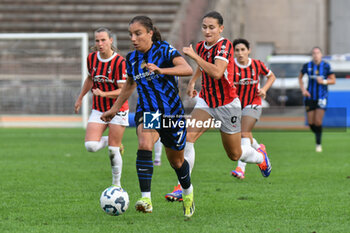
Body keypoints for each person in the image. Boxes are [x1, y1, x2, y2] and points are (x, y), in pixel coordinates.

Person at [165, 11, 272, 202]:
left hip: (227, 105)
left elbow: (216, 71)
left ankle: (260, 157)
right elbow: (202, 67)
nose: (207, 31)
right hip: (206, 101)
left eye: (211, 27)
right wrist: (192, 82)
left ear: (220, 28)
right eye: (204, 27)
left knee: (234, 154)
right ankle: (183, 187)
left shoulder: (225, 46)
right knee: (187, 137)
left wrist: (193, 56)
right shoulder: (201, 46)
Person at [100, 16, 195, 219]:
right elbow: (129, 85)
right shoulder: (132, 58)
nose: (133, 38)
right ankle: (146, 199)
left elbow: (187, 69)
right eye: (130, 35)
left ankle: (188, 193)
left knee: (177, 162)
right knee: (144, 143)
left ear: (150, 33)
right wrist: (115, 109)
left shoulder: (164, 50)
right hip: (148, 111)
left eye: (138, 33)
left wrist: (162, 69)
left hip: (171, 113)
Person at [74, 27, 129, 188]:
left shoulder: (119, 62)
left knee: (113, 151)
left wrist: (104, 94)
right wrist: (80, 98)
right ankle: (113, 141)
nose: (100, 43)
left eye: (103, 40)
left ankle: (116, 185)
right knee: (90, 146)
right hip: (99, 109)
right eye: (97, 40)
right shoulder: (91, 58)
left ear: (111, 41)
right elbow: (90, 79)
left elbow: (123, 90)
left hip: (118, 110)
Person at [231, 38, 276, 179]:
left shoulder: (256, 64)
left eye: (243, 50)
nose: (240, 53)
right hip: (236, 106)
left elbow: (271, 77)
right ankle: (259, 149)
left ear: (249, 50)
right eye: (237, 50)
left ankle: (240, 168)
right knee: (243, 133)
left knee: (243, 133)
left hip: (254, 103)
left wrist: (264, 89)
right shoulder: (230, 66)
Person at [298, 47, 336, 152]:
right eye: (314, 53)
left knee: (318, 121)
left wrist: (323, 81)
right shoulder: (307, 66)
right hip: (309, 97)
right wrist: (303, 90)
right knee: (311, 123)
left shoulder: (326, 66)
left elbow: (333, 80)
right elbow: (300, 78)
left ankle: (318, 144)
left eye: (317, 53)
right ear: (312, 55)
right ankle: (319, 133)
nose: (316, 55)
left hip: (322, 97)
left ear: (321, 54)